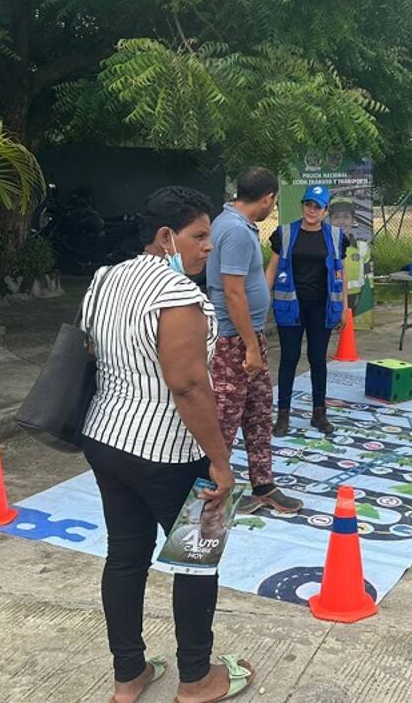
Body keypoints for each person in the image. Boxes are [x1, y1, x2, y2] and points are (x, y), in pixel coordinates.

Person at [79, 186, 254, 703]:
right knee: (198, 560)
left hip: (106, 438)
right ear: (166, 237)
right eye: (199, 236)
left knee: (126, 556)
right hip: (169, 452)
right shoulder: (181, 295)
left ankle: (128, 673)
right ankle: (196, 680)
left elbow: (94, 348)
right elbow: (188, 385)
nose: (208, 247)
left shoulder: (104, 279)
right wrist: (221, 462)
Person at [208, 167, 303, 516]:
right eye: (273, 202)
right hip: (234, 341)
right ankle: (216, 489)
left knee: (258, 411)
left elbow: (249, 283)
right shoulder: (234, 230)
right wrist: (249, 345)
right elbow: (232, 293)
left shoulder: (237, 226)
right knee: (225, 417)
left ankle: (263, 485)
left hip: (250, 337)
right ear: (268, 198)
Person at [267, 184, 349, 437]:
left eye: (317, 206)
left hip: (321, 308)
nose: (311, 210)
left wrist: (345, 308)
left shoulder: (336, 236)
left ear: (325, 211)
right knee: (289, 359)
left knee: (317, 359)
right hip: (290, 306)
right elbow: (271, 269)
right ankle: (283, 415)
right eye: (308, 205)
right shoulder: (285, 233)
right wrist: (259, 301)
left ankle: (319, 413)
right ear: (302, 206)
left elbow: (340, 273)